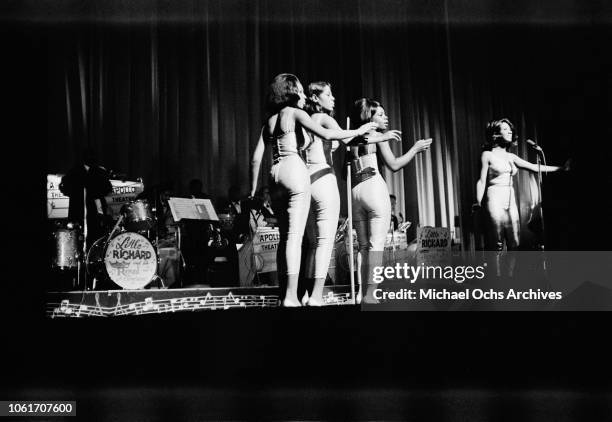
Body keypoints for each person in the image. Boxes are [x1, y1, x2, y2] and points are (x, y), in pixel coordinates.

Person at [250, 73, 377, 307]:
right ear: (291, 91)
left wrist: (252, 190)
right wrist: (359, 132)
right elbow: (327, 134)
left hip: (273, 174)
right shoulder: (297, 113)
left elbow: (256, 158)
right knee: (297, 238)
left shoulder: (269, 120)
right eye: (298, 89)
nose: (302, 93)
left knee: (286, 238)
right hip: (294, 170)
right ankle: (292, 296)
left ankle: (284, 294)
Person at [300, 81, 400, 306]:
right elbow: (349, 140)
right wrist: (378, 136)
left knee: (312, 244)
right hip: (324, 178)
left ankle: (306, 293)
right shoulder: (324, 118)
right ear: (316, 98)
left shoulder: (304, 119)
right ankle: (317, 295)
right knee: (325, 242)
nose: (333, 98)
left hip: (306, 180)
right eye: (328, 94)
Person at [349, 98, 432, 303]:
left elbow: (346, 172)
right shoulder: (378, 136)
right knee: (376, 244)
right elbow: (394, 164)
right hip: (374, 188)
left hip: (355, 191)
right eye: (380, 114)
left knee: (363, 246)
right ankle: (370, 293)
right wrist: (415, 149)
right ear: (369, 117)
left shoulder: (351, 137)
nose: (385, 117)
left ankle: (361, 293)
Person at [475, 118, 569, 269]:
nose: (510, 131)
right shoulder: (487, 155)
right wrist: (478, 202)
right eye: (505, 129)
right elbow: (481, 180)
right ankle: (497, 280)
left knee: (515, 243)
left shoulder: (511, 157)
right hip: (494, 197)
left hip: (510, 198)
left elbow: (533, 167)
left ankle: (511, 278)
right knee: (496, 244)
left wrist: (561, 168)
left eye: (510, 129)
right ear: (495, 134)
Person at [59, 147, 113, 247]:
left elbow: (107, 189)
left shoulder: (97, 171)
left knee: (93, 238)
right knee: (80, 238)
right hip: (81, 211)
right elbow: (64, 187)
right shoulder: (76, 172)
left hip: (93, 212)